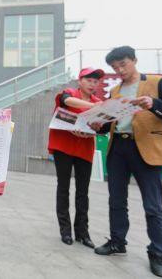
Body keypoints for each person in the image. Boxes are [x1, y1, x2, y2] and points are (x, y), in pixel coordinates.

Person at [92, 46, 162, 279]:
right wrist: (95, 126)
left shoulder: (157, 82)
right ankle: (117, 242)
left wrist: (154, 103)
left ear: (134, 60)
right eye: (115, 67)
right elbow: (109, 122)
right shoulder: (114, 91)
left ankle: (157, 253)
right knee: (116, 201)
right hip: (118, 148)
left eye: (123, 64)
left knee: (153, 206)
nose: (119, 70)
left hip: (147, 147)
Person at [48, 67, 104, 248]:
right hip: (63, 147)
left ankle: (82, 232)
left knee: (83, 192)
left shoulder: (99, 101)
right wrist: (91, 106)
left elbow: (103, 127)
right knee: (63, 187)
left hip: (84, 148)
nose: (92, 84)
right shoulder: (71, 93)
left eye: (96, 81)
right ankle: (65, 230)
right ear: (80, 81)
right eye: (89, 80)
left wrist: (96, 129)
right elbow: (65, 100)